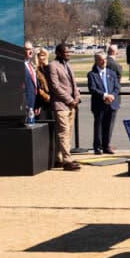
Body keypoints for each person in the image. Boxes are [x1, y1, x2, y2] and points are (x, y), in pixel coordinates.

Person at [45, 43, 82, 171]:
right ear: (58, 53)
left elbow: (74, 84)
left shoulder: (68, 65)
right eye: (66, 52)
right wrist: (70, 100)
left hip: (72, 105)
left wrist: (76, 98)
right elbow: (55, 87)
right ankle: (67, 161)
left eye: (69, 52)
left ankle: (60, 158)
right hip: (61, 104)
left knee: (69, 133)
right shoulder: (52, 66)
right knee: (63, 132)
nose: (68, 54)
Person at [88, 50, 121, 155]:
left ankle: (106, 146)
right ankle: (98, 147)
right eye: (101, 60)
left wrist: (112, 96)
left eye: (105, 59)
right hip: (99, 104)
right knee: (99, 126)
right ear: (96, 61)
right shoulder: (92, 74)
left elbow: (117, 87)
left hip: (112, 103)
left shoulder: (111, 73)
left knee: (109, 126)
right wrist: (104, 95)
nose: (104, 62)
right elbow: (92, 88)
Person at [34, 48, 53, 122]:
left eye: (46, 55)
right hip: (42, 104)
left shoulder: (50, 68)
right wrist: (47, 97)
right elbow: (38, 88)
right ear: (37, 57)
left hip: (53, 103)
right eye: (42, 55)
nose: (44, 57)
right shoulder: (35, 70)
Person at [23, 41, 38, 125]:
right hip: (25, 104)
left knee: (31, 125)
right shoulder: (20, 65)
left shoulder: (31, 65)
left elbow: (35, 85)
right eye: (28, 49)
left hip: (33, 103)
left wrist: (37, 104)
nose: (31, 51)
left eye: (31, 49)